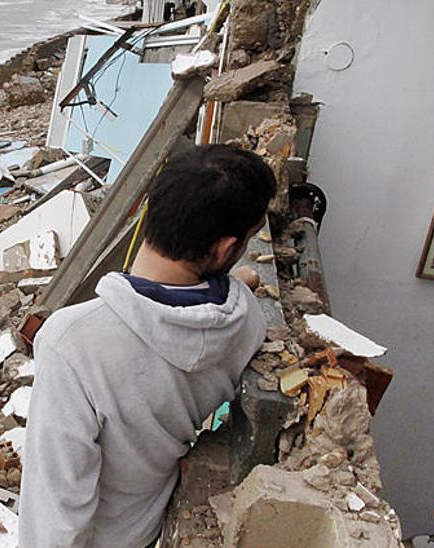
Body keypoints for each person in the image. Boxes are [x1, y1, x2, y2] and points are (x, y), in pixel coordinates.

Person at [18, 144, 276, 547]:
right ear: (227, 248)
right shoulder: (245, 322)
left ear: (151, 208)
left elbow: (56, 506)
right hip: (148, 526)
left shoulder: (73, 341)